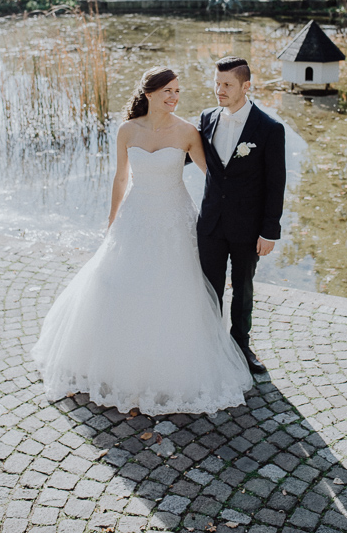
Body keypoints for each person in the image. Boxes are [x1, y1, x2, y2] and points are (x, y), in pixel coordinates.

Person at [31, 67, 252, 416]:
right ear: (148, 93)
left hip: (175, 218)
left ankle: (171, 368)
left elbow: (215, 176)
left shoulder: (188, 132)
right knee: (120, 285)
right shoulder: (126, 131)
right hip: (136, 216)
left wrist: (244, 201)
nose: (173, 97)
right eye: (167, 90)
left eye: (177, 91)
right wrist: (112, 218)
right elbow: (121, 177)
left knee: (176, 289)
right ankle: (115, 364)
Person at [196, 56, 286, 375]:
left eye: (227, 85)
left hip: (248, 227)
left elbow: (276, 185)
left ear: (245, 86)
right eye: (217, 83)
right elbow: (187, 155)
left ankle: (241, 345)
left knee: (243, 288)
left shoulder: (269, 128)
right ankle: (209, 342)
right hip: (210, 223)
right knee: (209, 287)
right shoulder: (207, 118)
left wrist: (269, 232)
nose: (219, 90)